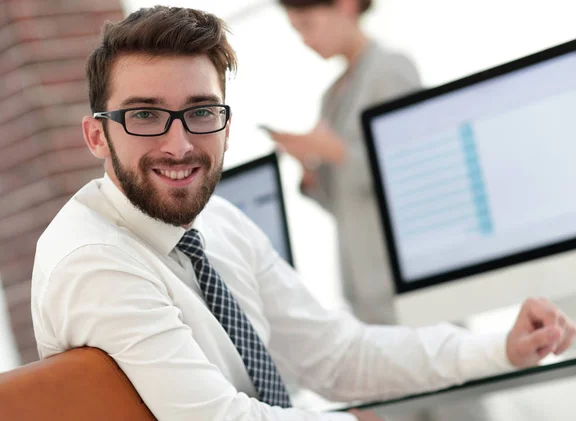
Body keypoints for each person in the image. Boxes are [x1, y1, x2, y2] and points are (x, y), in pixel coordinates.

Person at [30, 6, 576, 421]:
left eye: (200, 112)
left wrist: (498, 346)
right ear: (97, 135)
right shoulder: (92, 260)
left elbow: (339, 355)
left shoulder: (218, 223)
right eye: (145, 115)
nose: (179, 143)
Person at [269, 0, 421, 325]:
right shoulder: (331, 96)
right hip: (362, 287)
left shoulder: (390, 70)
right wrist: (309, 167)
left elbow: (413, 170)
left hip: (406, 278)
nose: (305, 40)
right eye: (297, 30)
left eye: (308, 25)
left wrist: (334, 151)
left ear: (346, 6)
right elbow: (344, 202)